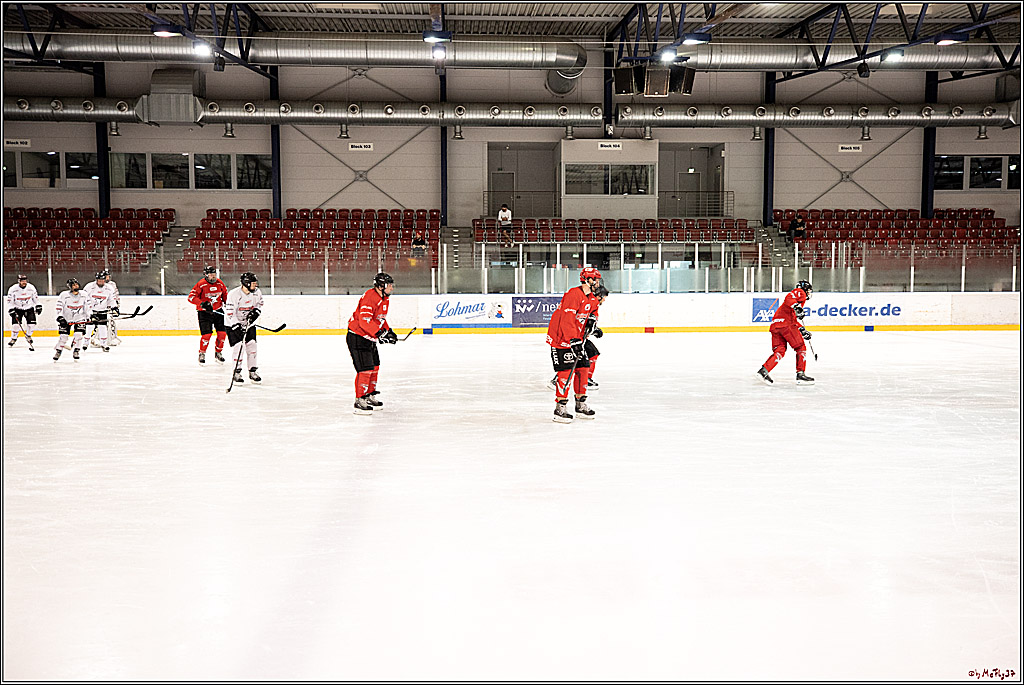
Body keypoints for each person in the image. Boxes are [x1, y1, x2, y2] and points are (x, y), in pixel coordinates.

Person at [546, 267, 602, 423]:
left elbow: (593, 310)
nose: (598, 282)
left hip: (577, 338)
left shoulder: (592, 297)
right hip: (561, 339)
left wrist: (593, 321)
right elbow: (567, 320)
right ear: (587, 280)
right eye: (595, 279)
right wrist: (573, 340)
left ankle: (580, 404)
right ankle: (560, 408)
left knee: (583, 369)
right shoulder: (573, 295)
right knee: (565, 372)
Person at [347, 272, 397, 415]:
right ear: (381, 286)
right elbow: (364, 322)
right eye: (389, 285)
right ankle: (359, 400)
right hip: (357, 336)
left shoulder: (384, 298)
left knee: (375, 367)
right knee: (365, 369)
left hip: (369, 338)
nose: (391, 288)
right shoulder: (370, 297)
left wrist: (388, 331)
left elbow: (379, 319)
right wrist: (380, 334)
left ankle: (369, 395)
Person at [548, 283, 608, 392]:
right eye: (603, 297)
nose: (604, 300)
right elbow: (572, 320)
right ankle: (559, 378)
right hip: (571, 337)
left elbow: (585, 322)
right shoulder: (580, 299)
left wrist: (594, 329)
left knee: (592, 354)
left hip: (579, 337)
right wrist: (574, 338)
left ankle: (587, 378)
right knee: (572, 360)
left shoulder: (593, 304)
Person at [758, 279, 815, 385]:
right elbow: (790, 297)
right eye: (808, 291)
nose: (808, 293)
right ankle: (800, 374)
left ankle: (764, 371)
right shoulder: (799, 292)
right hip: (786, 326)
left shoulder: (788, 307)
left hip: (776, 326)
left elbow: (791, 318)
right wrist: (797, 306)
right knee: (800, 347)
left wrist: (801, 329)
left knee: (779, 351)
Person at [224, 272, 264, 385]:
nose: (255, 286)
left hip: (248, 324)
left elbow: (260, 304)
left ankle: (253, 371)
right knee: (238, 347)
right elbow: (230, 313)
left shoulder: (257, 293)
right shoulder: (234, 294)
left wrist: (256, 312)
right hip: (232, 325)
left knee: (252, 346)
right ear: (246, 284)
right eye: (253, 284)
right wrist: (236, 325)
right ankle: (236, 373)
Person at [187, 266, 229, 364]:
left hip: (218, 311)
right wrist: (202, 304)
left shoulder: (220, 283)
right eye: (211, 275)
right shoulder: (201, 284)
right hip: (204, 313)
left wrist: (229, 304)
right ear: (206, 275)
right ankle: (202, 353)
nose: (213, 277)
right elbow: (191, 297)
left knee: (222, 334)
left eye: (214, 274)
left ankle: (218, 352)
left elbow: (225, 294)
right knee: (207, 335)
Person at [53, 278, 93, 362]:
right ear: (70, 287)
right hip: (66, 319)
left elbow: (88, 306)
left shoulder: (84, 294)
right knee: (63, 337)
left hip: (80, 318)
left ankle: (76, 350)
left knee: (78, 335)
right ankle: (58, 350)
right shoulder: (64, 295)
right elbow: (59, 306)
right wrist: (60, 317)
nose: (76, 286)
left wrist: (90, 315)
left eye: (77, 284)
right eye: (74, 285)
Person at [82, 271, 117, 352]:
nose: (101, 282)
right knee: (89, 327)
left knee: (102, 327)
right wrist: (87, 310)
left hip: (102, 310)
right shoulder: (89, 287)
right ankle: (85, 343)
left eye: (103, 280)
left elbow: (111, 299)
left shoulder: (109, 288)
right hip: (91, 311)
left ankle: (104, 344)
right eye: (99, 280)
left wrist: (114, 307)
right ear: (96, 280)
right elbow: (84, 298)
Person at [7, 274, 41, 351]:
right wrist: (11, 309)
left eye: (25, 280)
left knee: (32, 324)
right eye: (22, 281)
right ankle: (14, 338)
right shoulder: (13, 289)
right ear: (19, 281)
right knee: (16, 325)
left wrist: (38, 305)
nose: (24, 282)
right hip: (17, 308)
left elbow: (35, 298)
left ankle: (28, 336)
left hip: (29, 308)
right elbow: (10, 300)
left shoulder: (31, 288)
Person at [101, 269, 122, 345]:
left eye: (108, 276)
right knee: (100, 323)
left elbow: (116, 294)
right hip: (101, 307)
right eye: (106, 276)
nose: (108, 278)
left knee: (111, 322)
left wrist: (116, 305)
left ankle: (113, 337)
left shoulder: (112, 284)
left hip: (110, 306)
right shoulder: (98, 285)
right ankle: (96, 338)